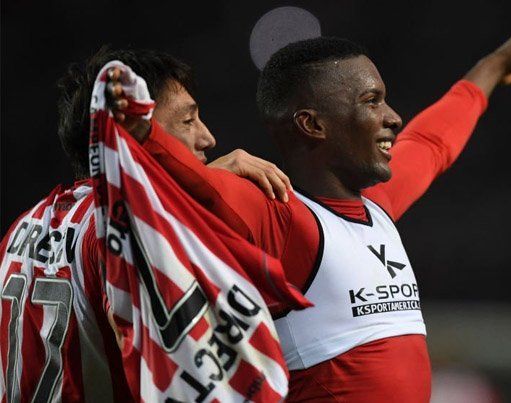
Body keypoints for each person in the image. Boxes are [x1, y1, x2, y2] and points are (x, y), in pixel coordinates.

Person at [111, 17, 511, 401]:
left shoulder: (376, 206)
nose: (393, 117)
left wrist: (493, 67)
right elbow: (177, 190)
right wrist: (138, 132)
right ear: (312, 124)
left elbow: (431, 143)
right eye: (371, 101)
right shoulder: (280, 216)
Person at [0, 48, 296, 402]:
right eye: (187, 121)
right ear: (133, 130)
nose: (208, 138)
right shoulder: (123, 229)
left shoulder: (20, 228)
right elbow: (163, 364)